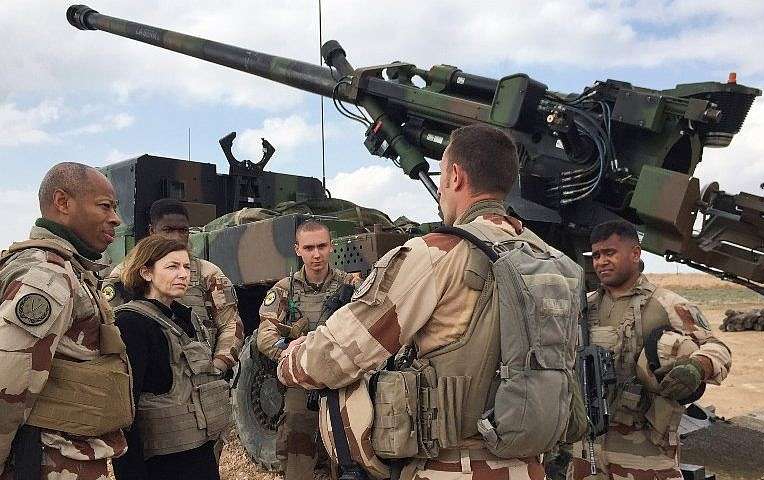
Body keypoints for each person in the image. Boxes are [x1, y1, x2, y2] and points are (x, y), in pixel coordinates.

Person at [277, 124, 581, 480]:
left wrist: (291, 360)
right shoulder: (553, 261)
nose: (438, 190)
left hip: (455, 467)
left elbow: (338, 354)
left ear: (455, 176)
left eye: (440, 178)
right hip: (531, 467)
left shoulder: (438, 253)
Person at [568, 221, 732, 480]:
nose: (601, 262)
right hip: (588, 449)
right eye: (596, 255)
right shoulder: (583, 307)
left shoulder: (667, 304)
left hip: (646, 449)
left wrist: (697, 367)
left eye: (610, 253)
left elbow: (718, 349)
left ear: (635, 253)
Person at [0, 162, 131, 479]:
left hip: (63, 456)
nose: (116, 218)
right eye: (105, 206)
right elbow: (8, 382)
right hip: (45, 460)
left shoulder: (70, 270)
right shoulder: (48, 275)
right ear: (62, 203)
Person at [111, 235, 230, 480]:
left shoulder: (186, 317)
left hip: (200, 455)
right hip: (162, 465)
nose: (183, 274)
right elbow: (123, 413)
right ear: (146, 273)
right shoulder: (131, 323)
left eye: (186, 267)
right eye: (172, 266)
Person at [256, 220, 359, 480]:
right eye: (309, 247)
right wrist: (289, 351)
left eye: (322, 246)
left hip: (342, 381)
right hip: (301, 383)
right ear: (297, 249)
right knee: (297, 451)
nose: (316, 254)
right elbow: (265, 335)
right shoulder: (284, 290)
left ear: (331, 247)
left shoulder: (350, 286)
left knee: (346, 452)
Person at [102, 198, 243, 374]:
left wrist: (219, 365)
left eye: (182, 230)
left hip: (199, 371)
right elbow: (107, 324)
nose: (176, 237)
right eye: (168, 230)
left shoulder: (208, 273)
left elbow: (230, 324)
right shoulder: (126, 273)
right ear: (152, 231)